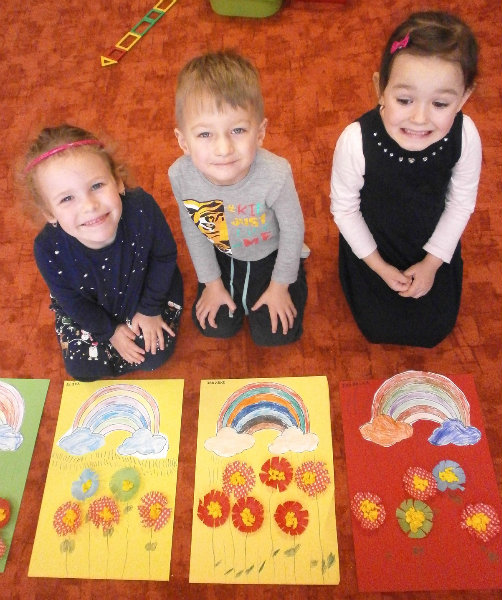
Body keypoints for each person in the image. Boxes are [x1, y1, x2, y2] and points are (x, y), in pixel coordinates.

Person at [330, 11, 481, 348]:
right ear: (379, 89)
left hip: (431, 243)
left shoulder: (465, 135)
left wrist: (432, 263)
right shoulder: (355, 140)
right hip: (374, 245)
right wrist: (379, 266)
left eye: (440, 103)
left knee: (434, 328)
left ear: (463, 98)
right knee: (377, 327)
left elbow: (460, 203)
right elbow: (345, 210)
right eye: (404, 100)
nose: (419, 118)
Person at [23, 124, 183, 381]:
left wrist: (149, 309)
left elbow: (163, 257)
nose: (89, 205)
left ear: (118, 181)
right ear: (49, 213)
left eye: (97, 185)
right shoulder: (47, 248)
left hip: (142, 291)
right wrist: (109, 331)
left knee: (154, 354)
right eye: (67, 199)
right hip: (92, 308)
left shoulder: (141, 207)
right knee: (83, 369)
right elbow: (72, 302)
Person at [169, 50, 307, 346]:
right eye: (205, 134)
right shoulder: (180, 175)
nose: (223, 149)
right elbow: (194, 229)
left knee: (275, 334)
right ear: (183, 141)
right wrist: (211, 283)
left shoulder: (276, 173)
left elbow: (293, 230)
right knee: (214, 326)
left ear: (260, 133)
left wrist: (280, 285)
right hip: (223, 254)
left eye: (238, 130)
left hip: (269, 255)